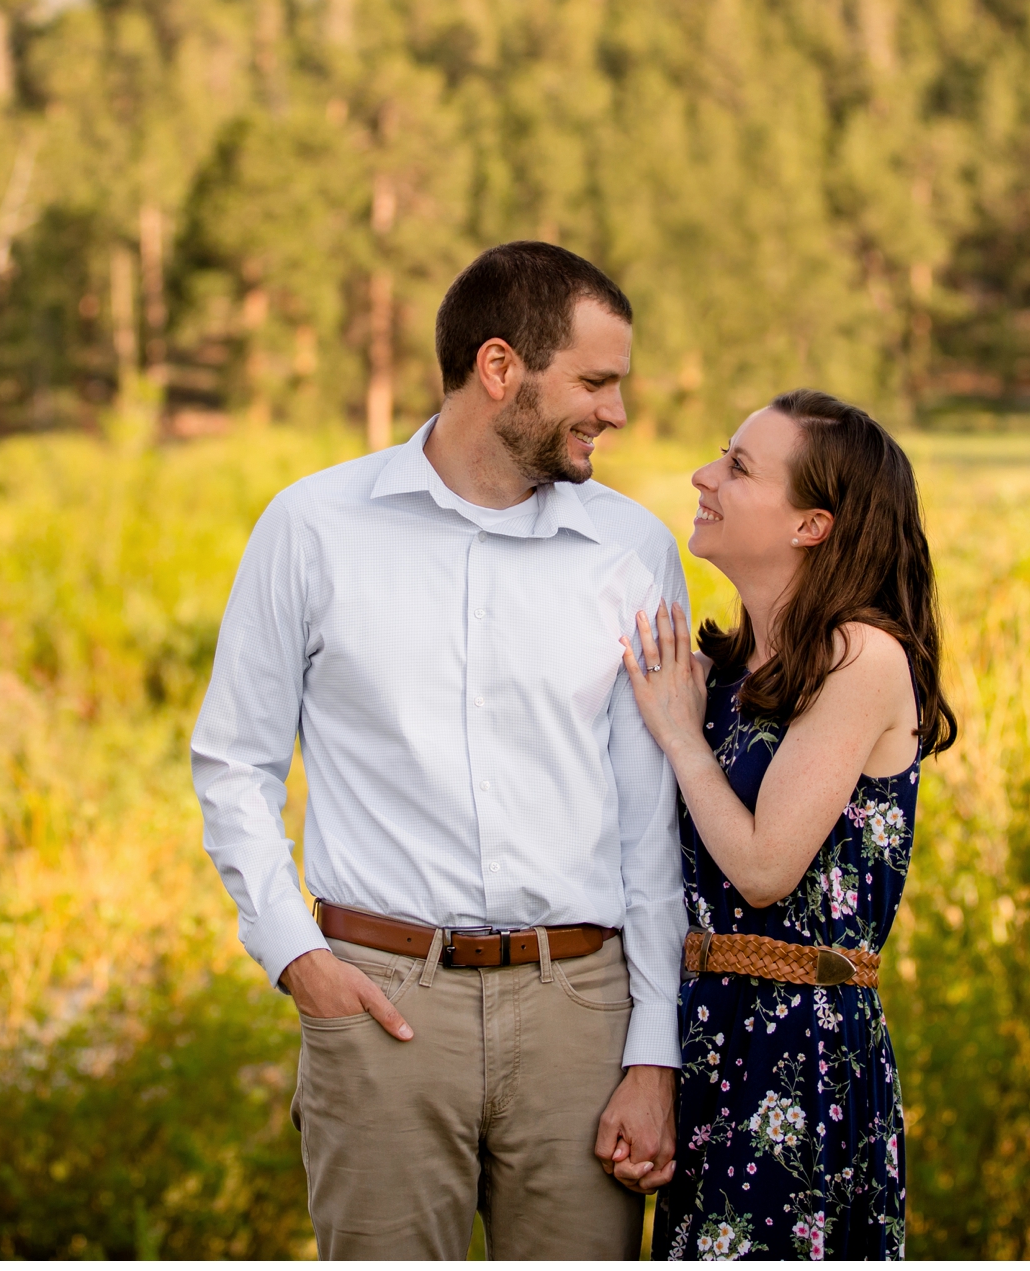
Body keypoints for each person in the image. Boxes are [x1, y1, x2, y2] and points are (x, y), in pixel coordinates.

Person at [190, 241, 688, 1260]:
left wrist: (654, 1050)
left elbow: (651, 824)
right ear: (500, 368)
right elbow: (233, 761)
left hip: (579, 1015)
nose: (618, 412)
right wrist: (295, 955)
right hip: (381, 1002)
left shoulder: (634, 551)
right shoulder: (312, 526)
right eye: (595, 381)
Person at [619, 389, 956, 1261]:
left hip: (803, 1058)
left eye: (736, 466)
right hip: (713, 1037)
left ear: (812, 524)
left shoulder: (863, 657)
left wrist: (680, 739)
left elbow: (765, 868)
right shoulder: (723, 675)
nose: (704, 476)